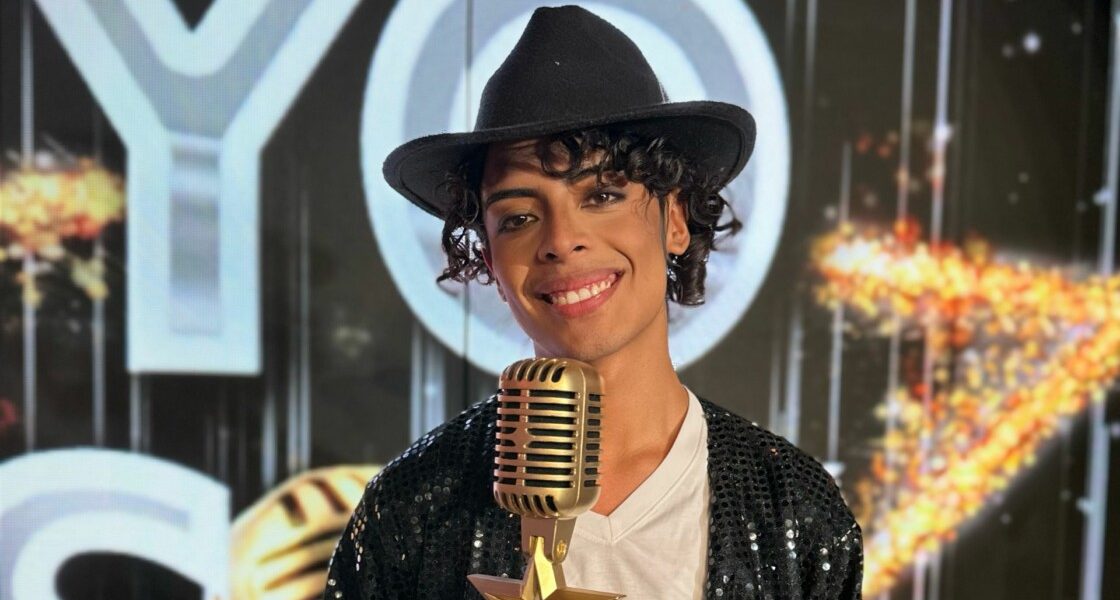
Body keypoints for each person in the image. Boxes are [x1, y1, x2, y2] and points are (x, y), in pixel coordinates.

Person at [324, 6, 862, 599]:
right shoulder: (415, 508)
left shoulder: (794, 510)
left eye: (602, 195)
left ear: (675, 218)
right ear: (491, 262)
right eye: (519, 217)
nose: (560, 241)